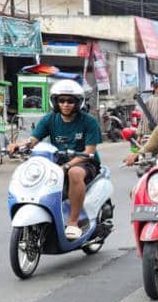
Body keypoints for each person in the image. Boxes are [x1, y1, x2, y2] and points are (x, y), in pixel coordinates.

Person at [8, 79, 102, 241]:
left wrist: (67, 165)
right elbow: (33, 140)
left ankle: (73, 222)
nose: (66, 104)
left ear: (78, 102)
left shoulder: (89, 121)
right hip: (57, 162)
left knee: (74, 173)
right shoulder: (49, 119)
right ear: (55, 102)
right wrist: (18, 145)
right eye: (62, 100)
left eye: (70, 101)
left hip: (86, 162)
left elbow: (89, 151)